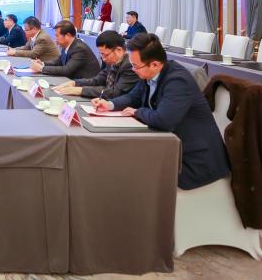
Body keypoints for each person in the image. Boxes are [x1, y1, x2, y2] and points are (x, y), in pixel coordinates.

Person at [91, 33, 229, 190]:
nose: (133, 70)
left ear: (155, 64)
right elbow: (132, 97)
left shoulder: (178, 81)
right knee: (124, 162)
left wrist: (137, 112)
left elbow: (164, 120)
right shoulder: (150, 74)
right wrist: (109, 105)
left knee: (131, 172)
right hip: (170, 147)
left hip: (195, 160)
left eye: (136, 66)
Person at [53, 30, 138, 99]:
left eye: (105, 55)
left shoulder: (130, 65)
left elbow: (115, 92)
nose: (103, 59)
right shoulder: (113, 61)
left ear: (119, 50)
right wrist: (74, 83)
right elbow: (97, 80)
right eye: (101, 55)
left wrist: (80, 90)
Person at [30, 20, 100, 80]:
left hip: (86, 85)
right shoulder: (66, 45)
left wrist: (41, 68)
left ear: (67, 36)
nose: (56, 38)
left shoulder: (79, 48)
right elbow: (58, 61)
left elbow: (67, 70)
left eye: (57, 36)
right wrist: (42, 63)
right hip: (73, 81)